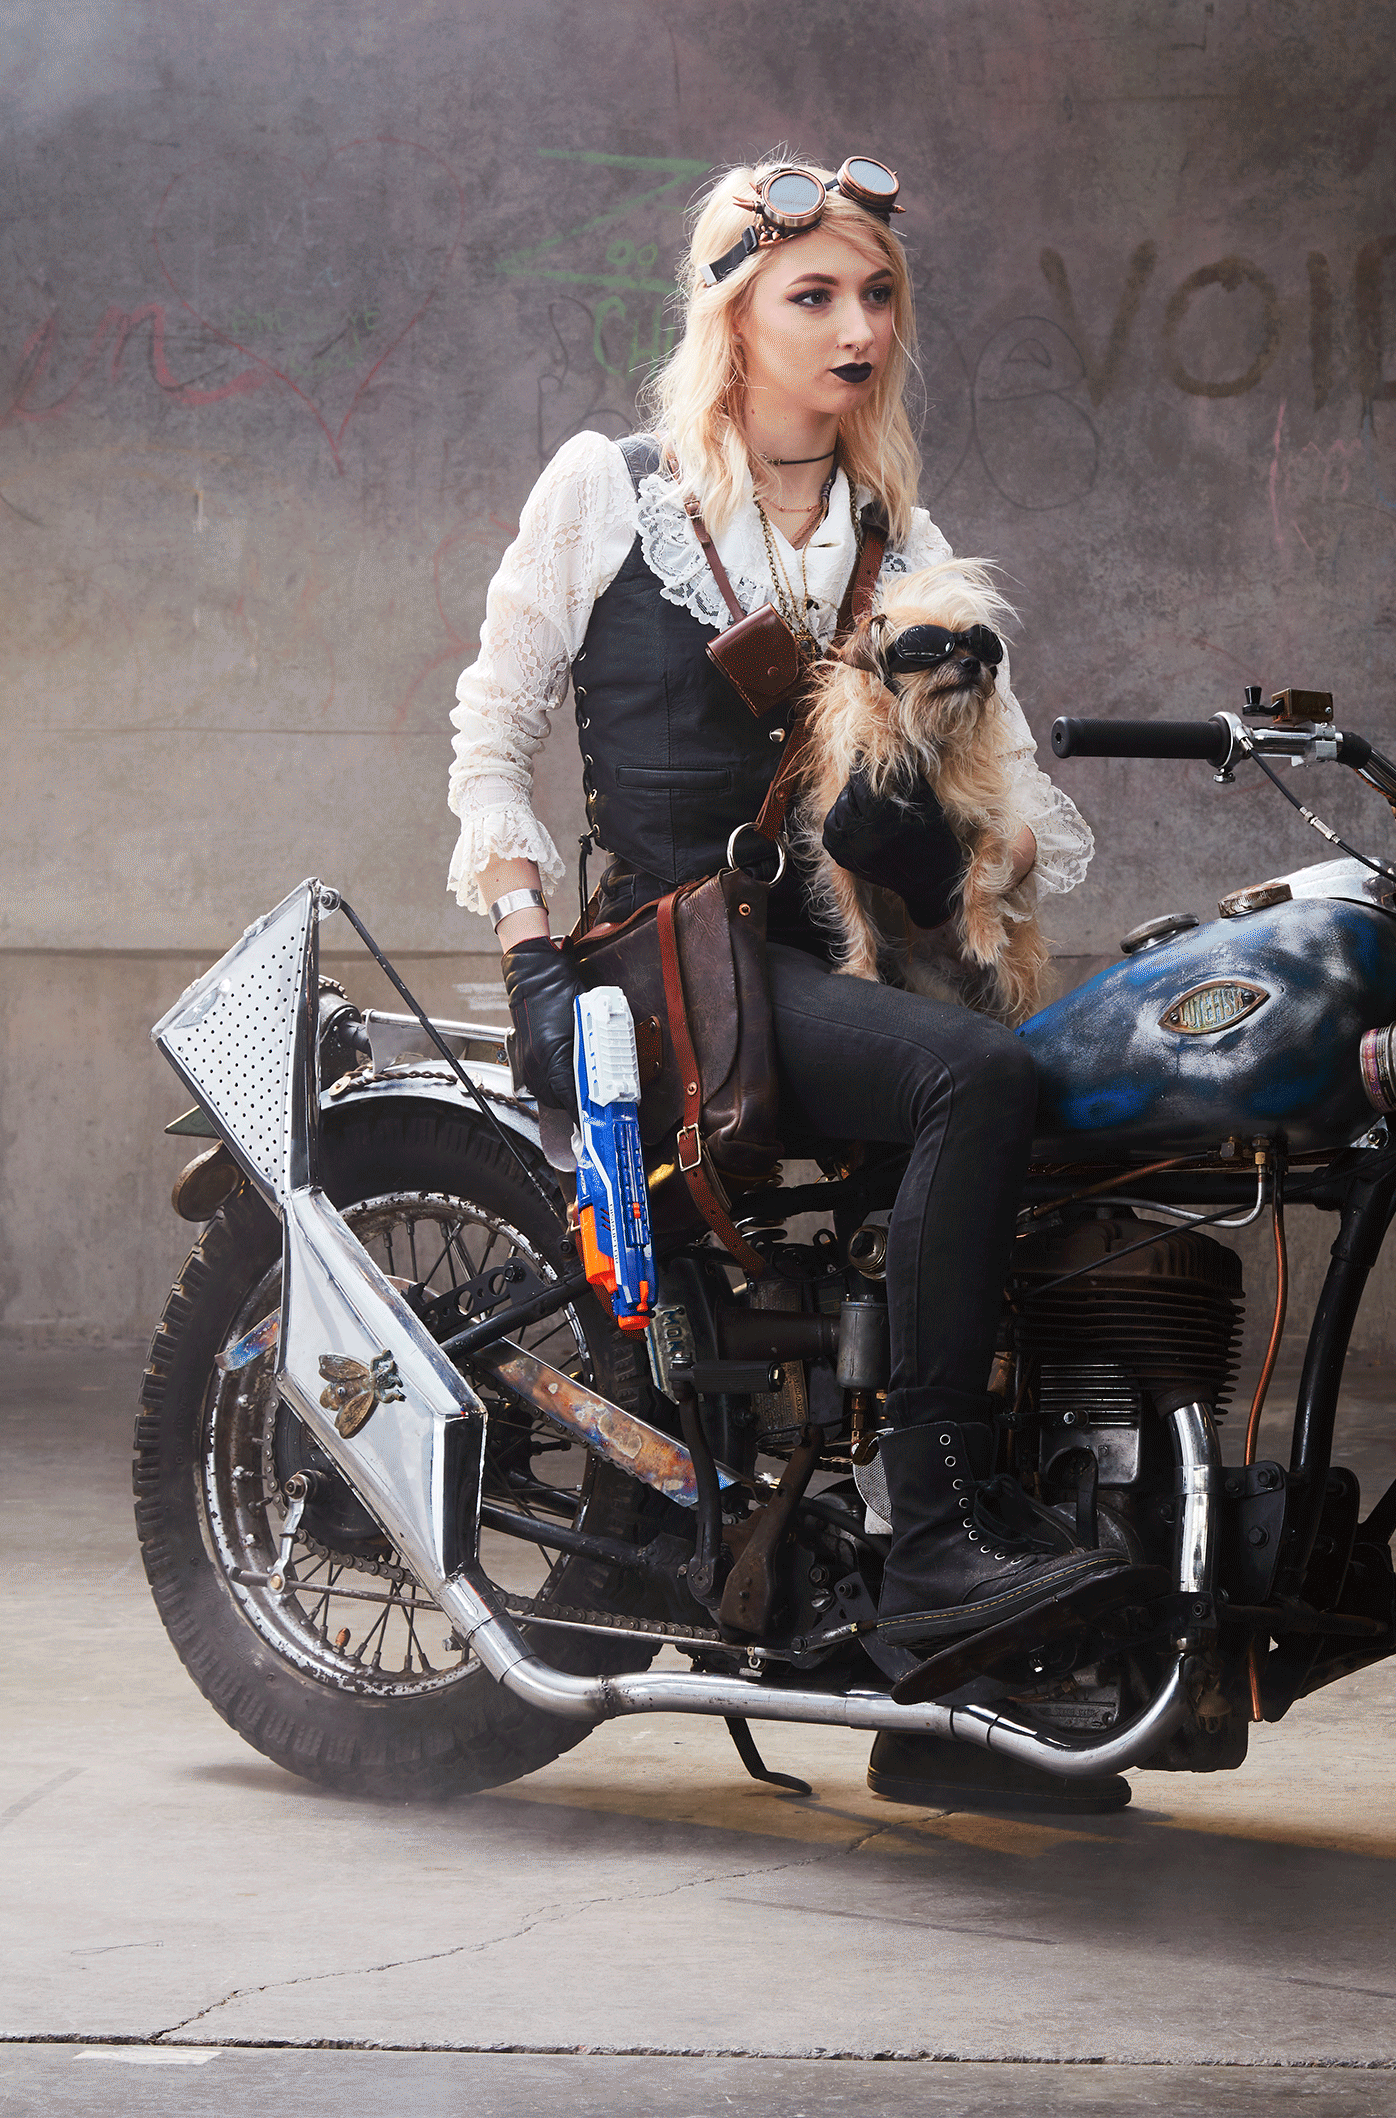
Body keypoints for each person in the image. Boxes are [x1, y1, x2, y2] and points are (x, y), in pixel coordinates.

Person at [445, 151, 1126, 1665]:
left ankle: (984, 1678)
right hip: (668, 968)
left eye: (877, 295)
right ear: (733, 315)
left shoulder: (902, 540)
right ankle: (935, 1533)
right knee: (976, 1078)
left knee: (1085, 1096)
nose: (858, 327)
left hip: (832, 973)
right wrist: (528, 950)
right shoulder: (614, 492)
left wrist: (951, 858)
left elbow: (1027, 816)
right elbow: (492, 732)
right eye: (813, 296)